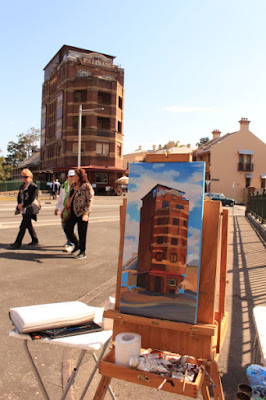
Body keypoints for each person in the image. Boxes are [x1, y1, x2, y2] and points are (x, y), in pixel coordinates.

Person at [64, 168, 94, 260]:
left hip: (82, 213)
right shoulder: (73, 185)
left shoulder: (86, 186)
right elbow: (70, 196)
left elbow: (90, 200)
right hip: (73, 211)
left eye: (76, 175)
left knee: (82, 232)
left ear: (80, 176)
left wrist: (86, 213)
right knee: (67, 228)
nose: (74, 177)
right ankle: (76, 244)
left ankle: (82, 251)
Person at [10, 169, 39, 249]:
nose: (23, 179)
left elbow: (32, 199)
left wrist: (23, 205)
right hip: (23, 208)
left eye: (25, 177)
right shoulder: (22, 186)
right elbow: (19, 196)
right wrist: (19, 204)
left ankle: (18, 242)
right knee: (28, 224)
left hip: (30, 208)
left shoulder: (34, 187)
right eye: (22, 177)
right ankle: (35, 239)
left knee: (23, 226)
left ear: (30, 177)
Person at [54, 170, 75, 252]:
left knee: (69, 227)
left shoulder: (77, 186)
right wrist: (57, 208)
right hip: (64, 209)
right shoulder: (64, 186)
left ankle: (71, 243)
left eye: (73, 176)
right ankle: (69, 240)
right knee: (64, 226)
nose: (72, 178)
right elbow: (60, 198)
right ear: (68, 177)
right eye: (70, 176)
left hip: (72, 210)